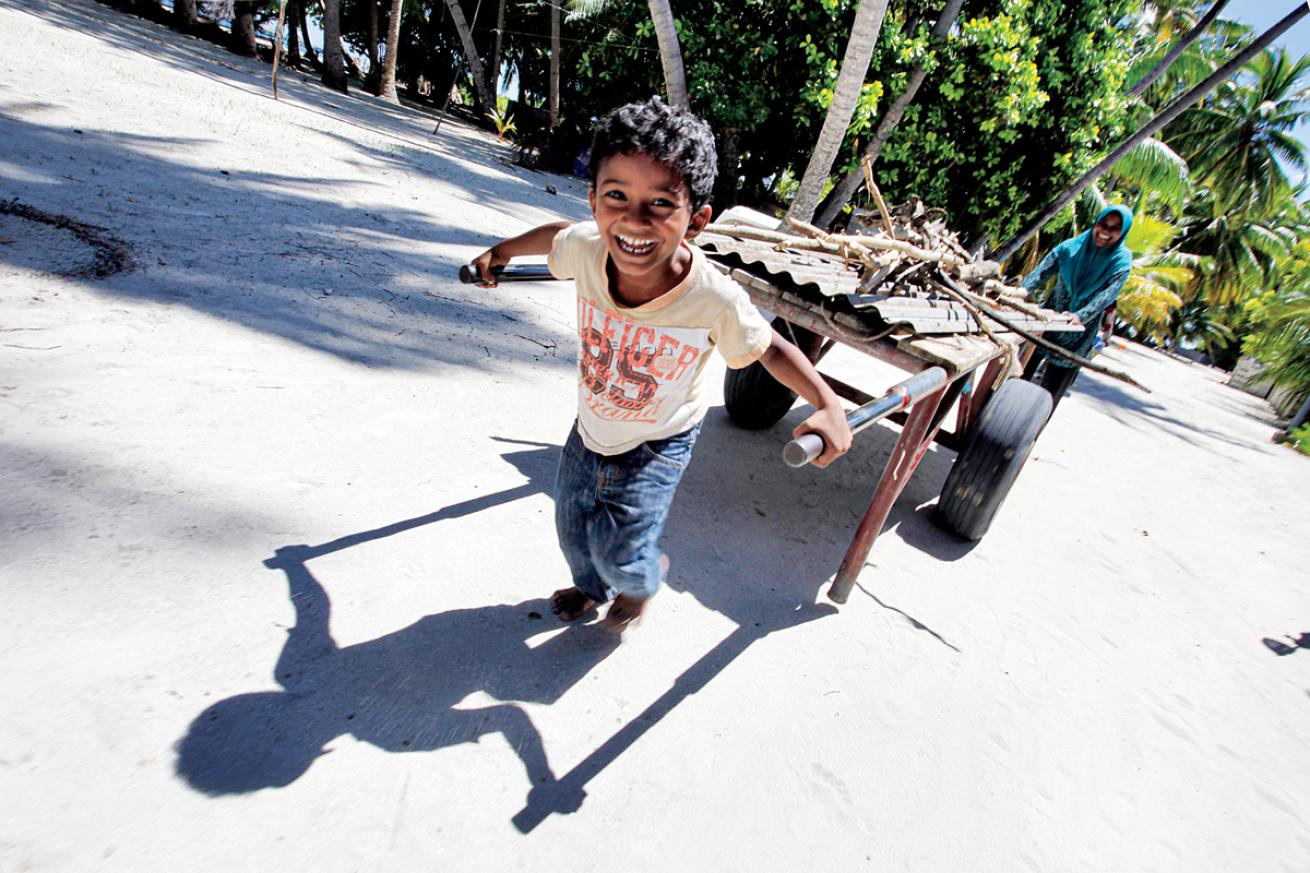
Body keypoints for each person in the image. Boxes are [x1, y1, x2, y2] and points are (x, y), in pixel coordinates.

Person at [471, 98, 851, 632]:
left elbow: (771, 349)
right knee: (572, 531)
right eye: (617, 196)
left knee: (625, 551)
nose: (633, 219)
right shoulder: (586, 246)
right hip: (591, 425)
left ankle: (645, 579)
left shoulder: (712, 297)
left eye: (659, 204)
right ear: (594, 200)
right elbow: (559, 235)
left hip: (659, 441)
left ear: (695, 220)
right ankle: (590, 587)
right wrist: (502, 251)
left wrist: (828, 405)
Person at [1020, 204, 1134, 410]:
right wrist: (1019, 292)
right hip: (1048, 324)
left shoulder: (1121, 261)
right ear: (1096, 223)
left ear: (1123, 232)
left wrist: (1081, 315)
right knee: (1018, 376)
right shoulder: (1070, 247)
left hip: (1079, 335)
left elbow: (1107, 295)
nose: (1105, 232)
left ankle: (1028, 436)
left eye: (1114, 228)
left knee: (1049, 396)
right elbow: (1040, 274)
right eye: (1103, 224)